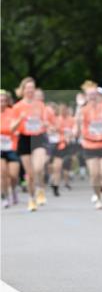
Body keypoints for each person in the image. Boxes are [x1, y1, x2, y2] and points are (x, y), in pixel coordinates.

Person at [11, 77, 53, 211]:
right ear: (23, 90)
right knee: (29, 174)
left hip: (38, 138)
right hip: (24, 139)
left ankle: (40, 188)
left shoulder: (40, 105)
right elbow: (12, 128)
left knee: (38, 168)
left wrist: (47, 125)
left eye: (32, 88)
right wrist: (20, 119)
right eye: (27, 88)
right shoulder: (17, 107)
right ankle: (31, 199)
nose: (30, 90)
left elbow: (46, 122)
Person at [1, 90, 20, 207]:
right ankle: (4, 197)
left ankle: (13, 190)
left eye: (3, 101)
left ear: (7, 102)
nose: (1, 103)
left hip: (11, 147)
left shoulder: (12, 112)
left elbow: (13, 128)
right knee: (2, 174)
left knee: (13, 175)